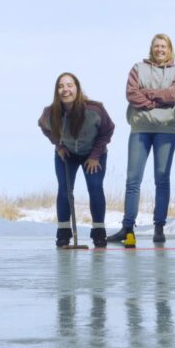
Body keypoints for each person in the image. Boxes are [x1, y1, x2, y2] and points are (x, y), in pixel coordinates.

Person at [108, 34, 175, 244]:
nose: (160, 49)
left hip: (167, 131)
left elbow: (173, 96)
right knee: (133, 180)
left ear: (169, 49)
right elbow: (131, 94)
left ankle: (159, 227)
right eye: (156, 46)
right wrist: (156, 101)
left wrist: (147, 94)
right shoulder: (137, 69)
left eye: (164, 46)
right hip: (140, 129)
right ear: (152, 48)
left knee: (162, 179)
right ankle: (127, 228)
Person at [39, 72, 114, 248]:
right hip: (68, 154)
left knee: (95, 188)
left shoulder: (94, 110)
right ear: (56, 91)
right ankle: (64, 233)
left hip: (94, 154)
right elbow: (44, 127)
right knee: (65, 190)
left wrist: (95, 155)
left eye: (69, 85)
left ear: (77, 88)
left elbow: (108, 130)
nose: (65, 90)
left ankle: (98, 232)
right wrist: (59, 146)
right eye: (61, 86)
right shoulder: (50, 113)